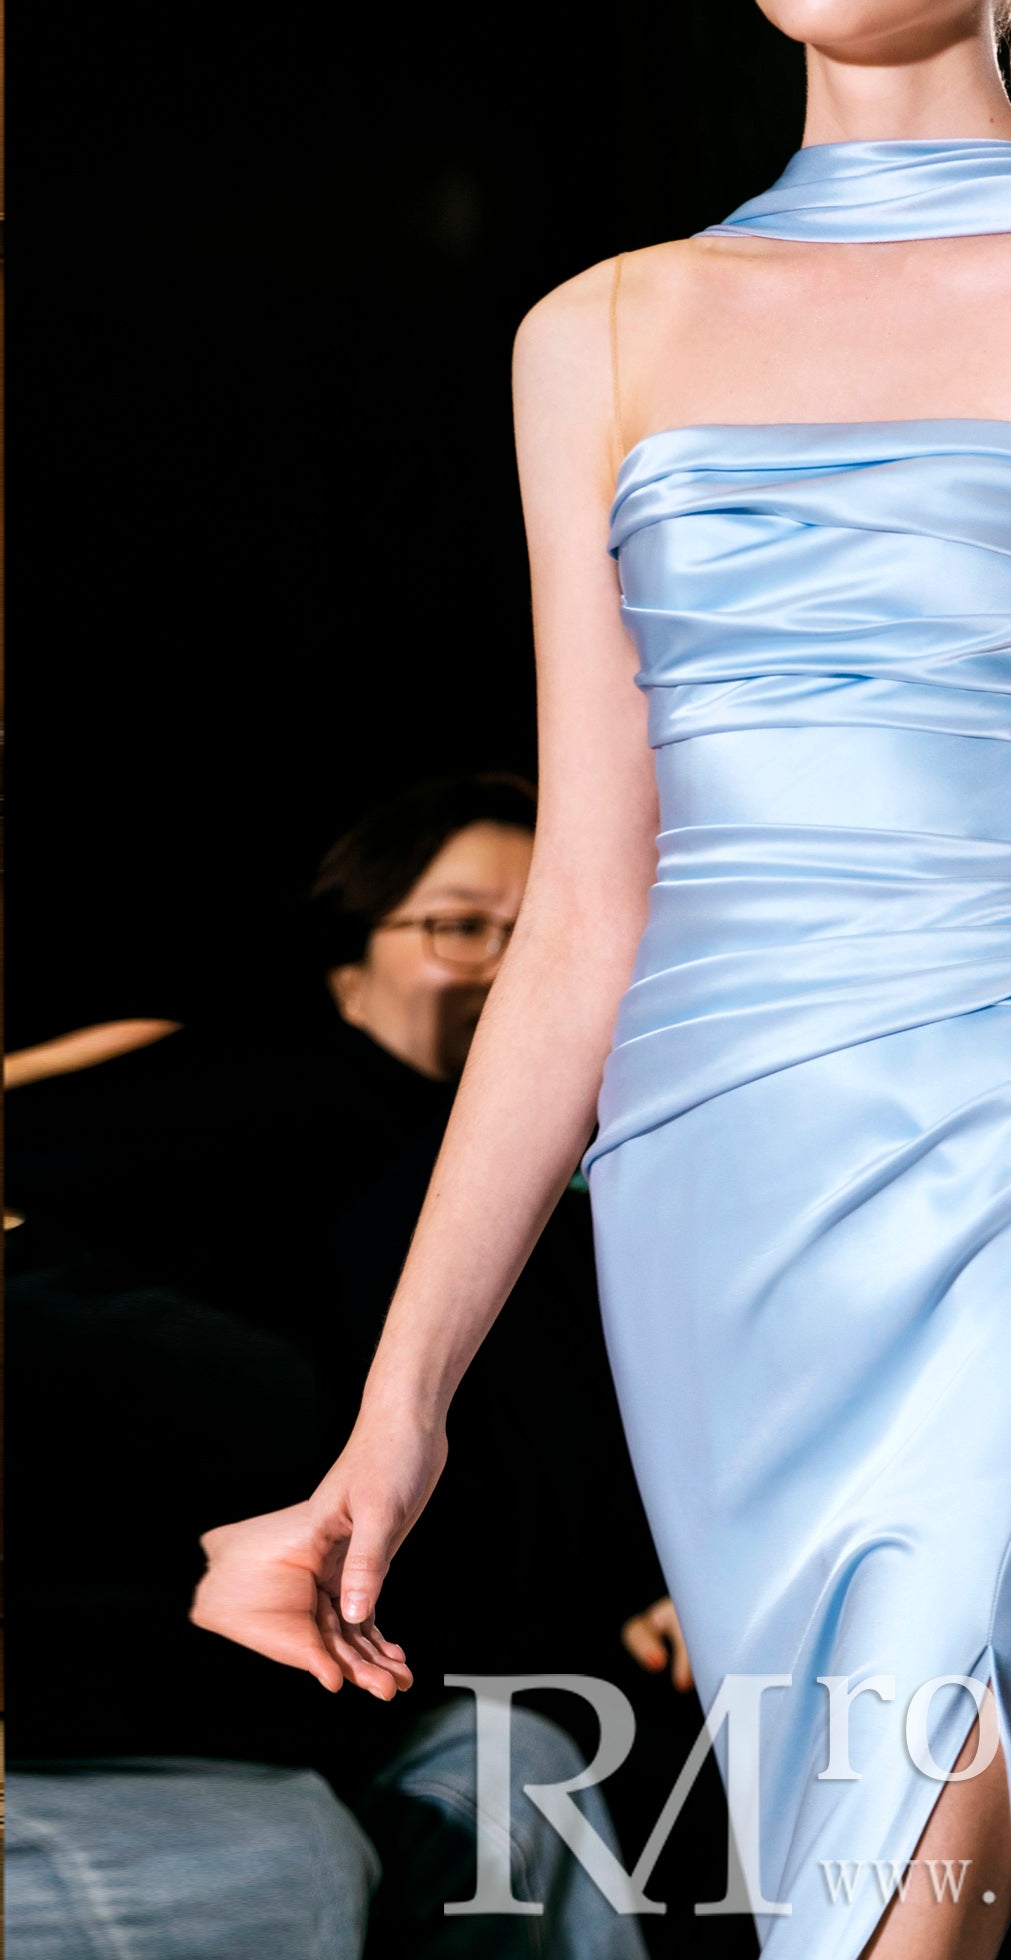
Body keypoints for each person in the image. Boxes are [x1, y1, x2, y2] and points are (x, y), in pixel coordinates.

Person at [190, 0, 1011, 1958]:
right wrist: (394, 1415)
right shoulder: (599, 331)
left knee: (909, 1885)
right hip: (709, 1198)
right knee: (845, 1878)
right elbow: (583, 911)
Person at [5, 775, 683, 1957]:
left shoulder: (563, 1196)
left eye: (533, 932)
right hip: (176, 1638)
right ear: (350, 951)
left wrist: (648, 1575)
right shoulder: (246, 1088)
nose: (504, 967)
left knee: (527, 1771)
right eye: (460, 925)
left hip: (407, 1660)